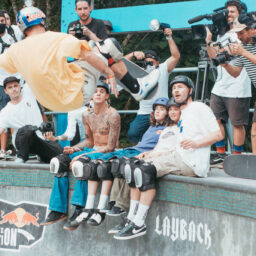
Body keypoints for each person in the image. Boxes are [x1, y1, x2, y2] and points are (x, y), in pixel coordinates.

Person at [112, 75, 222, 240]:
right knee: (132, 166)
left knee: (144, 170)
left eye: (180, 87)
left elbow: (218, 134)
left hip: (192, 162)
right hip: (178, 156)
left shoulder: (199, 107)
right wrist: (154, 153)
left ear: (190, 90)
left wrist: (196, 143)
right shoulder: (182, 114)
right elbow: (174, 146)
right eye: (174, 88)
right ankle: (131, 218)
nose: (176, 90)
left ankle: (139, 223)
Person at [0, 6, 160, 112]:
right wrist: (108, 72)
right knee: (105, 46)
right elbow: (88, 56)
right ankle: (137, 87)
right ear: (42, 20)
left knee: (76, 61)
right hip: (77, 94)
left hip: (51, 105)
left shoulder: (14, 50)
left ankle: (114, 77)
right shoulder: (56, 37)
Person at [63, 97, 170, 231]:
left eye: (162, 109)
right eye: (156, 110)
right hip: (130, 150)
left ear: (168, 112)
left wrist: (146, 154)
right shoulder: (151, 127)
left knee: (106, 167)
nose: (157, 112)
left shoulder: (168, 129)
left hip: (138, 154)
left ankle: (103, 209)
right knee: (92, 166)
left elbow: (160, 148)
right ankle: (89, 208)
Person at [40, 81, 121, 226]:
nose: (97, 93)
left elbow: (111, 146)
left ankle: (79, 208)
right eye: (95, 91)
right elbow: (89, 142)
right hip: (92, 149)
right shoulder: (87, 115)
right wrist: (75, 149)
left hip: (106, 152)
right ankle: (58, 210)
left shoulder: (113, 114)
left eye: (101, 91)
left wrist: (83, 156)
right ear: (90, 96)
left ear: (107, 95)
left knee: (80, 165)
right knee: (57, 163)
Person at [205, 0, 251, 165]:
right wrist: (209, 41)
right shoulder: (222, 33)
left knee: (237, 123)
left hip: (238, 85)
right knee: (214, 119)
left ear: (241, 13)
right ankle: (221, 153)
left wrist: (217, 48)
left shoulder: (243, 32)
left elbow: (230, 52)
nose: (228, 14)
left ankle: (237, 156)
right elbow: (214, 58)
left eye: (232, 11)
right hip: (220, 84)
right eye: (227, 12)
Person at [126, 27, 180, 143]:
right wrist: (133, 53)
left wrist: (169, 37)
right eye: (146, 61)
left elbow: (175, 57)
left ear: (157, 62)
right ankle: (140, 151)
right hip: (144, 112)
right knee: (133, 133)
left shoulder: (162, 69)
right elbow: (122, 65)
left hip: (162, 110)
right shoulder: (138, 71)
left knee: (164, 135)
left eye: (151, 61)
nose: (148, 63)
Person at [0, 76, 63, 163]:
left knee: (60, 152)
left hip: (38, 139)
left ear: (20, 87)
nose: (13, 89)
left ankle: (43, 156)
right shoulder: (5, 111)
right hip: (21, 142)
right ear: (5, 91)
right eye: (10, 87)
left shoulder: (28, 92)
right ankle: (21, 158)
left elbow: (34, 73)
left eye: (15, 86)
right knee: (27, 129)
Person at [220, 18, 256, 153]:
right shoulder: (243, 47)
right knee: (254, 129)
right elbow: (236, 73)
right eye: (237, 34)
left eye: (241, 33)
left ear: (251, 30)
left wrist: (244, 53)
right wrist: (226, 65)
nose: (238, 37)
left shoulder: (243, 50)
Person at [0, 10, 22, 158]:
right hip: (1, 84)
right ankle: (2, 150)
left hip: (17, 81)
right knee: (3, 118)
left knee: (18, 116)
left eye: (3, 20)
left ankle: (18, 148)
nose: (1, 23)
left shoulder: (15, 32)